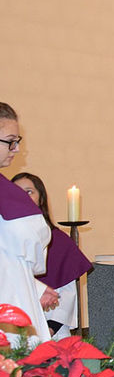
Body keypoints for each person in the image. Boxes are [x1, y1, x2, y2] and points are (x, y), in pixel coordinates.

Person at [12, 172, 93, 339]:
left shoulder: (58, 241)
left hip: (50, 329)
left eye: (29, 191)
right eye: (16, 191)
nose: (22, 196)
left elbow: (67, 292)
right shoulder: (5, 240)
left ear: (41, 198)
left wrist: (50, 328)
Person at [0, 103, 51, 342]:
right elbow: (33, 246)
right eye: (10, 141)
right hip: (10, 301)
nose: (16, 148)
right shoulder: (11, 199)